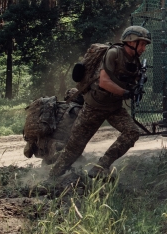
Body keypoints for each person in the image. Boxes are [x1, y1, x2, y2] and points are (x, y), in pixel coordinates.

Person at [48, 26, 151, 179]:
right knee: (74, 149)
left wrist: (136, 85)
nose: (144, 48)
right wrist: (125, 93)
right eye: (141, 44)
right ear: (131, 41)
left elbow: (126, 80)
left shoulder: (134, 60)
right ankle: (51, 179)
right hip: (94, 107)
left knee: (132, 132)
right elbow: (104, 82)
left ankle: (101, 166)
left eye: (145, 45)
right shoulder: (114, 53)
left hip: (114, 107)